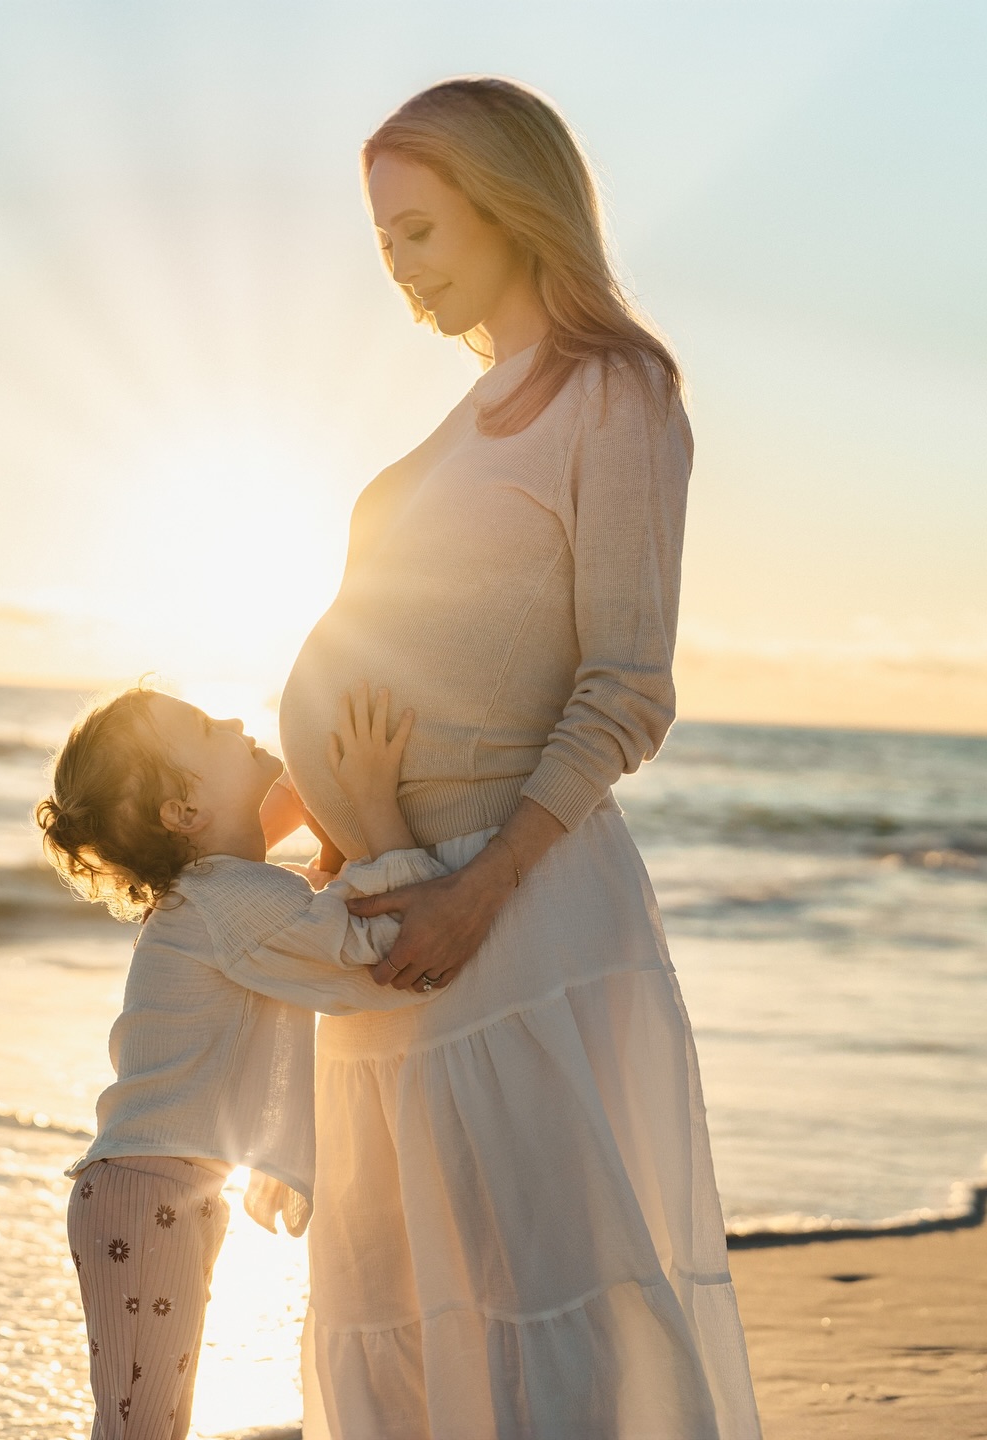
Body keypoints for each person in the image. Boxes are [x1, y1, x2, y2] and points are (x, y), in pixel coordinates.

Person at [277, 77, 762, 1438]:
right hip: (392, 908)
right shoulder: (462, 421)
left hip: (510, 921)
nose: (405, 274)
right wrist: (337, 836)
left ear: (511, 204)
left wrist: (474, 889)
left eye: (420, 233)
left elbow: (626, 690)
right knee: (406, 1304)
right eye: (386, 248)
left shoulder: (614, 394)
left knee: (546, 1299)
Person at [36, 683, 440, 1440]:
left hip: (159, 1188)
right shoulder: (229, 897)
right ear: (181, 814)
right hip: (147, 1191)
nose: (228, 718)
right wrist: (376, 806)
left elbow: (307, 910)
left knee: (150, 1418)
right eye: (200, 726)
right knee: (141, 1424)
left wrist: (325, 825)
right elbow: (379, 950)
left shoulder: (220, 891)